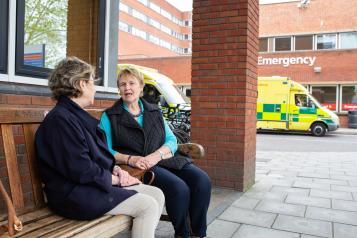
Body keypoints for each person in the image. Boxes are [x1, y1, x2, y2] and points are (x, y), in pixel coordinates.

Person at [35, 57, 164, 238]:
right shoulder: (61, 120)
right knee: (147, 205)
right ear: (81, 84)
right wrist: (116, 180)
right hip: (73, 194)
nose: (94, 88)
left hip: (88, 186)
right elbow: (80, 169)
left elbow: (90, 158)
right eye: (92, 82)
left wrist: (116, 170)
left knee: (156, 194)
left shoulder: (72, 116)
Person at [100, 66, 211, 238]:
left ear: (141, 87)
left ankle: (198, 233)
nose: (127, 88)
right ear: (118, 89)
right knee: (179, 188)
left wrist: (157, 155)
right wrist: (130, 159)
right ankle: (183, 233)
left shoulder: (154, 111)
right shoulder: (110, 116)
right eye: (122, 84)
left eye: (132, 83)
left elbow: (171, 140)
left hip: (163, 158)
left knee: (202, 181)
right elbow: (104, 149)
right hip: (139, 167)